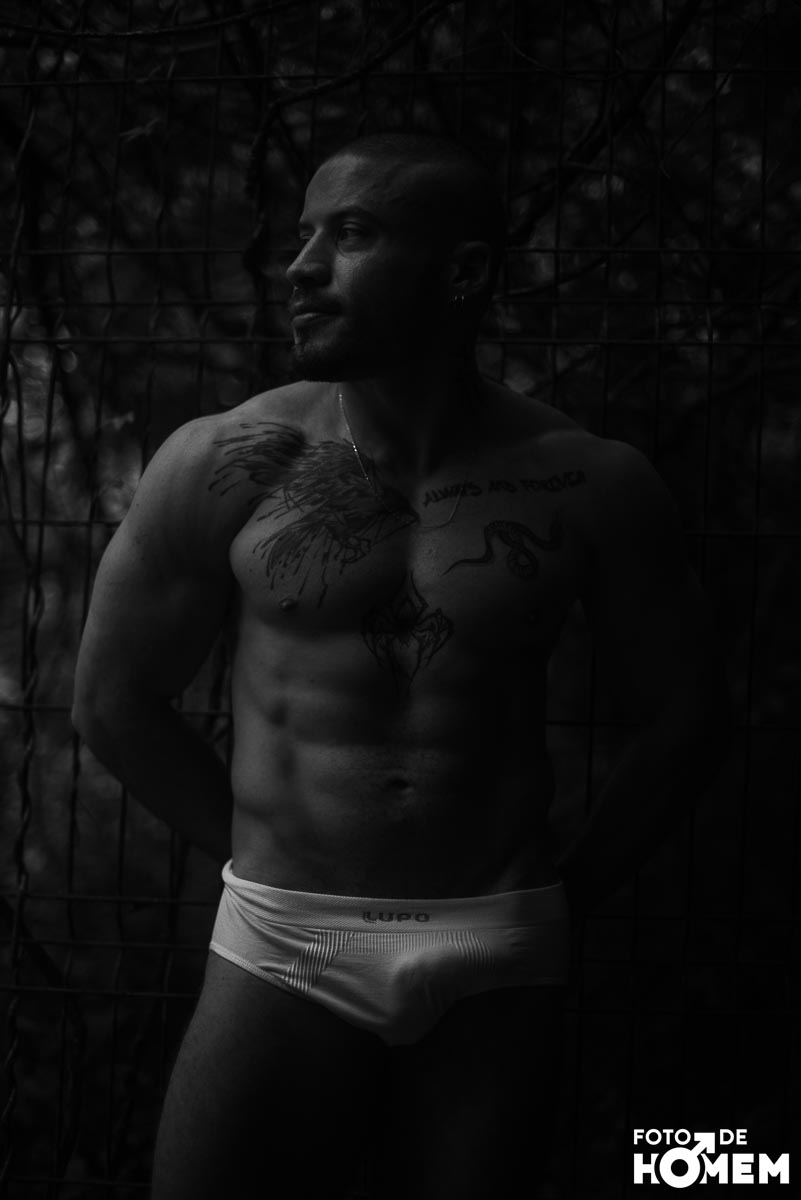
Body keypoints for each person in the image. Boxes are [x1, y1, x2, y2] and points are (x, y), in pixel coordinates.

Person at [72, 131, 731, 1199]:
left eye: (351, 234)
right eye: (303, 236)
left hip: (499, 943)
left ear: (463, 271)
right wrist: (260, 855)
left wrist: (566, 897)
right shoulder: (228, 461)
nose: (301, 267)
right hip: (285, 936)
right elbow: (112, 701)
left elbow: (688, 711)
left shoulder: (589, 483)